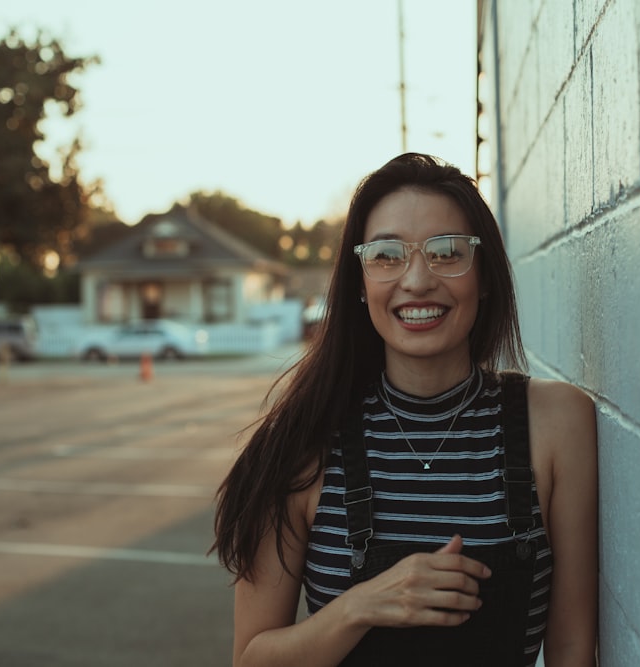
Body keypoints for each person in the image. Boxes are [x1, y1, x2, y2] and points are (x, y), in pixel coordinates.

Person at [212, 153, 598, 666]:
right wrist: (361, 606)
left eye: (445, 252)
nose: (416, 280)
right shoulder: (305, 441)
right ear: (360, 283)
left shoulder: (555, 424)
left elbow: (573, 652)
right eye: (387, 255)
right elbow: (251, 659)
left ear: (483, 277)